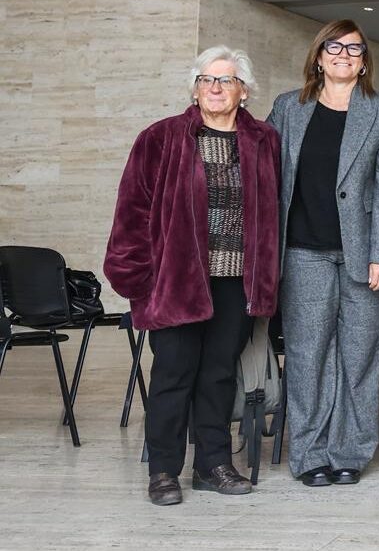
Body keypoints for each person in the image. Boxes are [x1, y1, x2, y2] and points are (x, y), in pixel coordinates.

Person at [105, 47, 280, 506]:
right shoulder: (160, 138)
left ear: (244, 91)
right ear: (195, 87)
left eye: (225, 80)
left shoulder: (265, 141)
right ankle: (164, 471)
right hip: (176, 282)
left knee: (220, 375)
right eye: (206, 79)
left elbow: (273, 215)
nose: (215, 88)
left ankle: (213, 465)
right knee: (172, 375)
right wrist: (137, 281)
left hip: (236, 281)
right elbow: (131, 212)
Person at [268, 19, 379, 487]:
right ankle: (309, 454)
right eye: (335, 47)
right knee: (308, 356)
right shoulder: (289, 108)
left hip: (364, 254)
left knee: (360, 356)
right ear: (319, 56)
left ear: (364, 61)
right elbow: (265, 171)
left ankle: (351, 451)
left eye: (354, 49)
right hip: (302, 252)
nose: (344, 55)